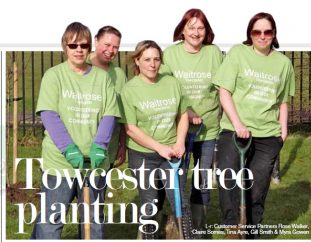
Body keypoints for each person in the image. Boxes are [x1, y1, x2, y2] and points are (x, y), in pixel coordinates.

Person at [31, 22, 120, 239]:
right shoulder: (54, 76)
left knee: (93, 223)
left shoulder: (102, 78)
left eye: (84, 44)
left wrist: (99, 146)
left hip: (95, 163)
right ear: (65, 46)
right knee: (52, 222)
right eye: (73, 45)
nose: (78, 49)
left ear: (90, 47)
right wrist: (69, 149)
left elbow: (109, 114)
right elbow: (49, 115)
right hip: (60, 163)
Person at [213, 12, 295, 239]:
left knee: (257, 188)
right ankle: (233, 229)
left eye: (267, 31)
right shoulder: (238, 53)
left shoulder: (283, 63)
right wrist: (238, 123)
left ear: (274, 34)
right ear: (250, 34)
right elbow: (224, 91)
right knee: (228, 179)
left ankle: (252, 232)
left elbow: (283, 101)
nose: (262, 36)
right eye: (256, 32)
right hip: (234, 130)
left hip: (267, 135)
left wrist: (283, 131)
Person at [120, 40, 193, 239]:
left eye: (156, 59)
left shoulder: (171, 83)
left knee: (179, 201)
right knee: (150, 203)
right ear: (137, 61)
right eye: (147, 60)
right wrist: (159, 147)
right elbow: (131, 129)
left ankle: (187, 236)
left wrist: (179, 142)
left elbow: (183, 115)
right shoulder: (129, 90)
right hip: (143, 155)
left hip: (172, 153)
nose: (152, 64)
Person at [160, 8, 223, 233]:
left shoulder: (214, 53)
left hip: (208, 130)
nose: (196, 32)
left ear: (206, 31)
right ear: (182, 30)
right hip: (178, 129)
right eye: (191, 27)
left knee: (202, 179)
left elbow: (222, 87)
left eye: (200, 27)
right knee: (177, 179)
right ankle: (178, 225)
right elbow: (165, 87)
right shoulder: (171, 55)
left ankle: (198, 228)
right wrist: (186, 111)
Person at [89, 25, 127, 169]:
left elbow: (123, 115)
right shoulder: (79, 65)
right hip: (77, 147)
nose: (111, 50)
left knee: (97, 191)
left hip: (106, 150)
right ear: (96, 41)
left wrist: (122, 145)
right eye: (107, 45)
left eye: (115, 47)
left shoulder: (119, 75)